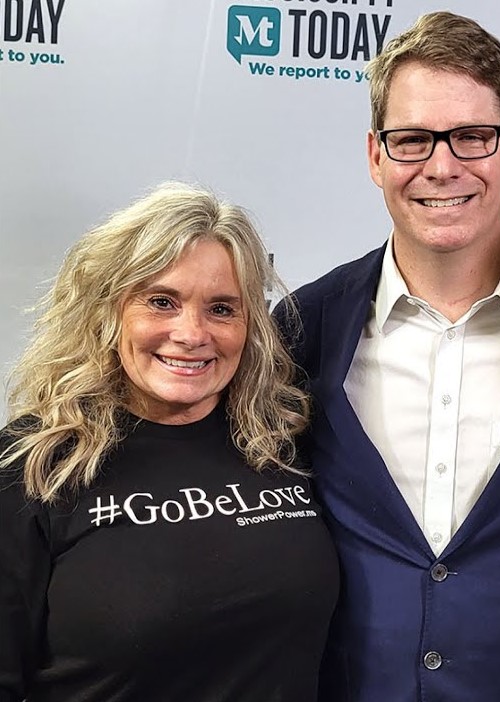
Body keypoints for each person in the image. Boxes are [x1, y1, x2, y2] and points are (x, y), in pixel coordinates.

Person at [277, 12, 500, 701]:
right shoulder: (303, 327)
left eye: (472, 136)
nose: (442, 167)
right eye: (412, 140)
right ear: (375, 156)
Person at [0, 182, 339, 701]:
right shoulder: (33, 463)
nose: (192, 333)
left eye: (222, 309)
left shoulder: (284, 442)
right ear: (108, 311)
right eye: (161, 302)